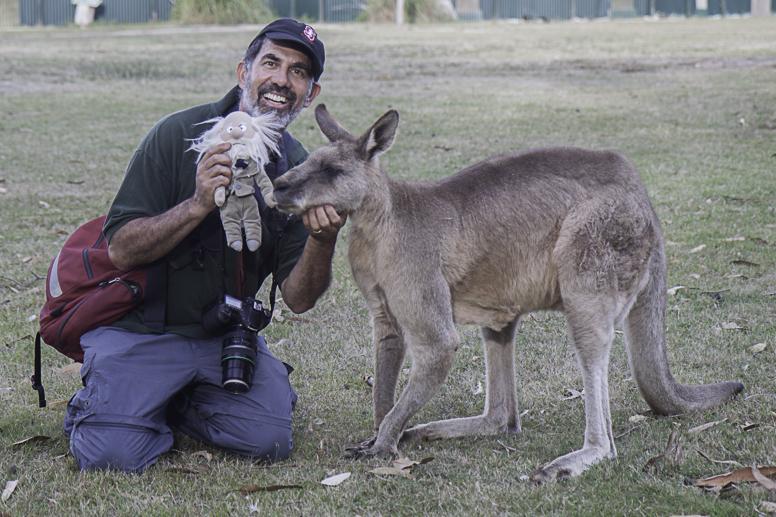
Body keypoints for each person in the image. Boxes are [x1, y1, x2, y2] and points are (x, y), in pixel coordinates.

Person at [63, 19, 346, 472]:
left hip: (223, 338)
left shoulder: (297, 169)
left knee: (269, 442)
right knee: (111, 456)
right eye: (270, 63)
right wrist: (196, 205)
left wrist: (323, 240)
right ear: (243, 72)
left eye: (298, 72)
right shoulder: (176, 135)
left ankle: (172, 401)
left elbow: (299, 298)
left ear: (310, 93)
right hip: (141, 332)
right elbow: (121, 250)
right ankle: (107, 403)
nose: (281, 80)